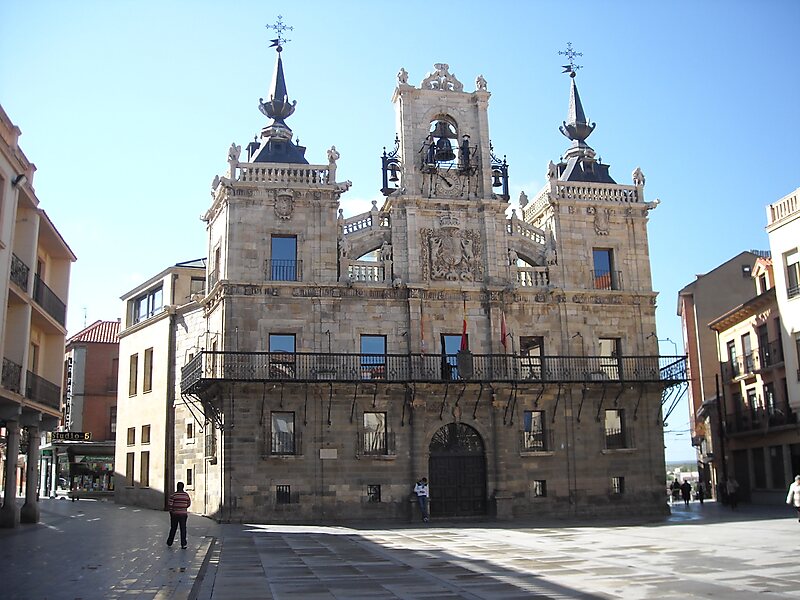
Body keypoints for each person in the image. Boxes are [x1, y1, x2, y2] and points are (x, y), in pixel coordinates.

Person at [166, 482, 191, 549]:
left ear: (177, 487)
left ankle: (170, 542)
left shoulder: (173, 495)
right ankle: (183, 544)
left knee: (173, 528)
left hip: (175, 514)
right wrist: (183, 508)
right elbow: (188, 504)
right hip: (183, 514)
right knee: (183, 529)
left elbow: (170, 504)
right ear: (183, 487)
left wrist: (172, 511)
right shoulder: (186, 495)